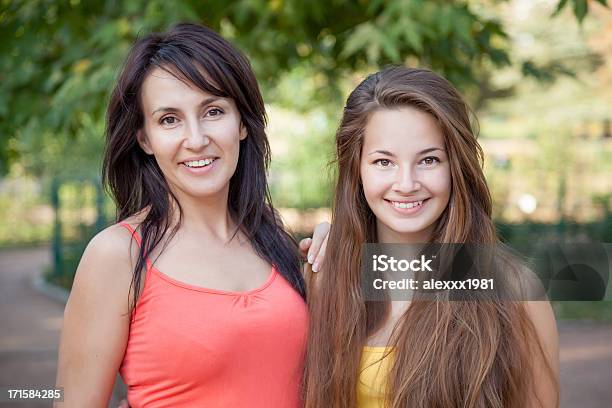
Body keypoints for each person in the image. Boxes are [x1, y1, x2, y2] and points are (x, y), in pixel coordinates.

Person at [55, 23, 327, 407]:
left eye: (213, 111)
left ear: (243, 123)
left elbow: (431, 290)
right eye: (169, 119)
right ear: (144, 138)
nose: (196, 139)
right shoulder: (117, 255)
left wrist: (348, 251)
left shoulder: (277, 243)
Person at [304, 67, 559, 407]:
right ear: (357, 170)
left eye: (428, 160)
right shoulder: (323, 278)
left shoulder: (513, 290)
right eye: (384, 162)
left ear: (457, 166)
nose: (407, 183)